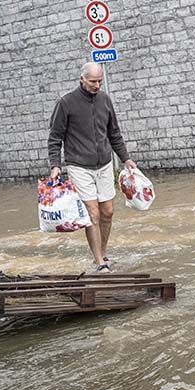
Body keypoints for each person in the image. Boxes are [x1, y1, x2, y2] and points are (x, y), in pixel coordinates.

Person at [48, 62, 136, 273]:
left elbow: (114, 132)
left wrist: (126, 158)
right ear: (82, 79)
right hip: (79, 165)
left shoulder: (105, 100)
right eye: (93, 81)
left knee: (108, 211)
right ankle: (99, 262)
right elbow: (55, 138)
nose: (97, 85)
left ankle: (102, 253)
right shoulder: (66, 103)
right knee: (92, 213)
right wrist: (55, 165)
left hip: (104, 163)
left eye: (99, 81)